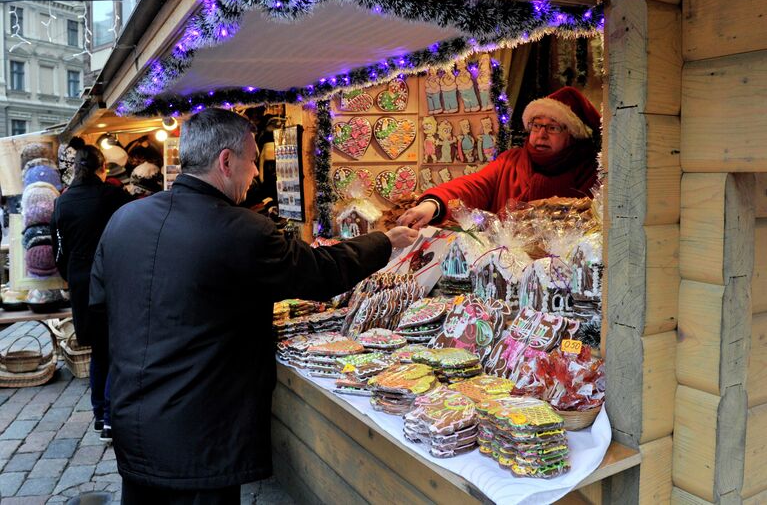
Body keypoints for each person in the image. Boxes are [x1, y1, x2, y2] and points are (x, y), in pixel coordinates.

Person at [89, 108, 417, 504]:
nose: (257, 176)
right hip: (201, 434)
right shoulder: (243, 230)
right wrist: (384, 241)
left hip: (135, 422)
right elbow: (320, 272)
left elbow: (99, 312)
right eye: (251, 162)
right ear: (226, 161)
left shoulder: (124, 220)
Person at [398, 86, 600, 228]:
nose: (541, 134)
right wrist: (433, 204)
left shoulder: (590, 171)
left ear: (573, 134)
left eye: (553, 127)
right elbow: (474, 185)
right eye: (536, 125)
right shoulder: (511, 161)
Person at [50, 144, 132, 442]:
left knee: (100, 350)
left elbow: (58, 251)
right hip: (112, 279)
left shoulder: (62, 203)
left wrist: (71, 277)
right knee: (115, 348)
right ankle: (109, 417)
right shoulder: (113, 195)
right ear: (103, 168)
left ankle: (100, 415)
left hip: (82, 282)